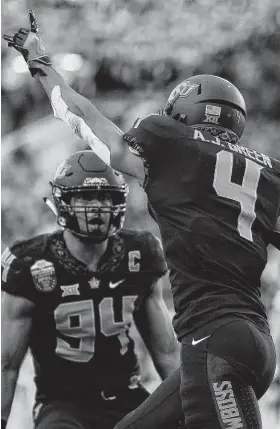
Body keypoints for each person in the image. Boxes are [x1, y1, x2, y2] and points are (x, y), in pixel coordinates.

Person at [3, 10, 280, 428]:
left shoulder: (168, 141)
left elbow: (85, 121)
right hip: (252, 343)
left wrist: (42, 65)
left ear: (182, 113)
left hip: (214, 338)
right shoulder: (270, 171)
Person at [1, 150, 180, 429]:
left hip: (127, 396)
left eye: (104, 197)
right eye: (85, 197)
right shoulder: (32, 264)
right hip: (63, 405)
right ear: (64, 203)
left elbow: (167, 354)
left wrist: (193, 412)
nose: (97, 207)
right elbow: (6, 367)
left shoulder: (139, 253)